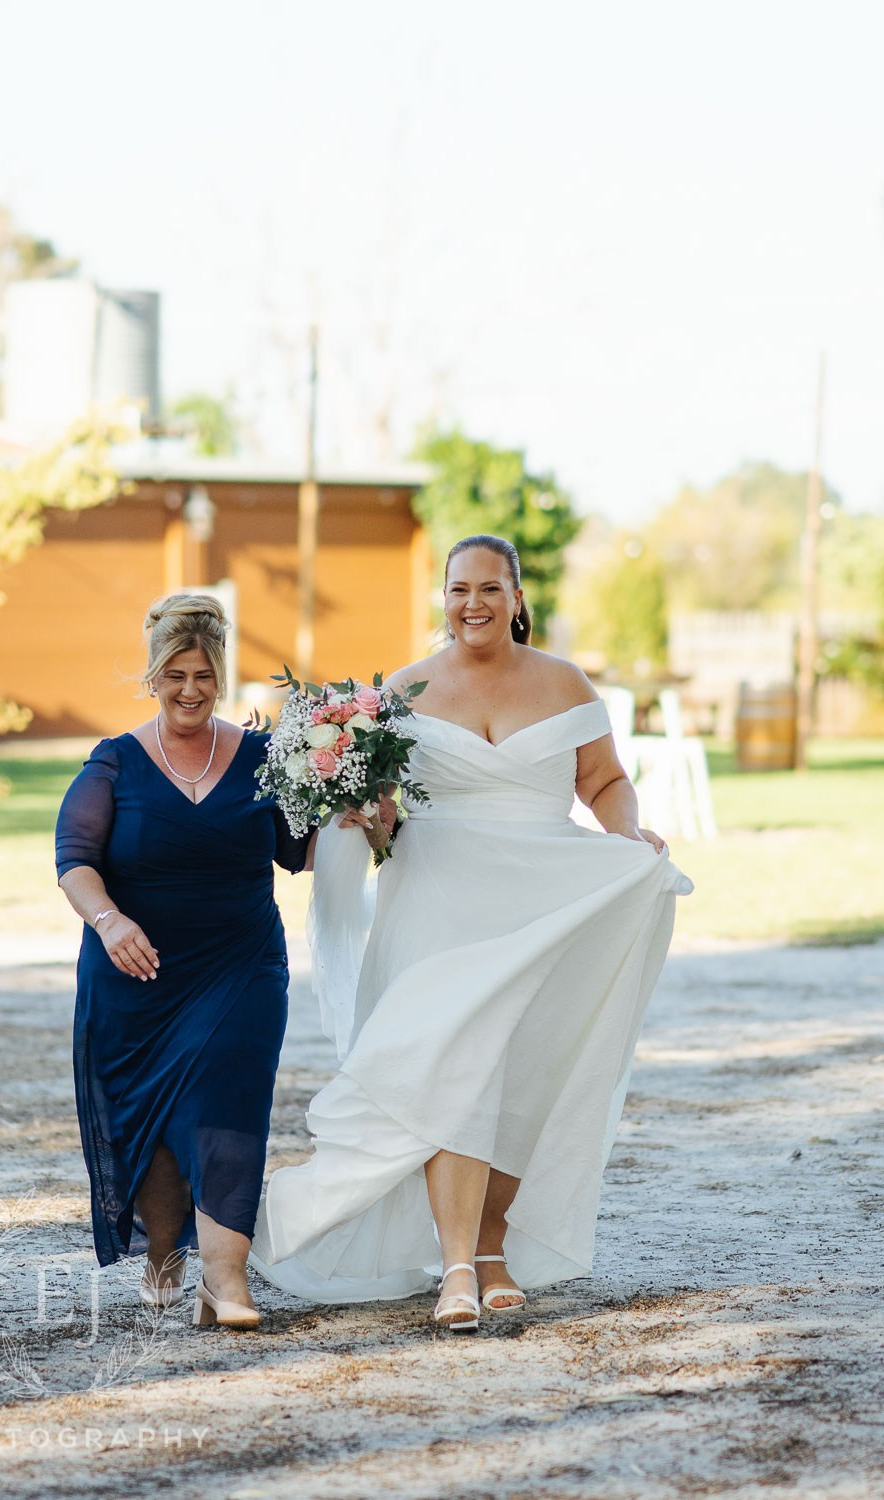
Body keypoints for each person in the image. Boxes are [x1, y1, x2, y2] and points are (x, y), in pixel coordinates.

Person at [251, 535, 692, 1330]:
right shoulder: (405, 688)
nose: (474, 604)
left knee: (528, 1069)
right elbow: (384, 817)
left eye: (491, 589)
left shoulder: (565, 683)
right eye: (459, 590)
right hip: (437, 900)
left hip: (540, 894)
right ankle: (455, 1264)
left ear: (517, 598)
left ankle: (492, 1247)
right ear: (443, 598)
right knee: (450, 1066)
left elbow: (604, 780)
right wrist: (365, 820)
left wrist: (629, 836)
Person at [55, 594, 312, 1330]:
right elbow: (74, 859)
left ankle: (226, 1281)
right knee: (158, 1128)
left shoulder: (264, 759)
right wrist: (108, 921)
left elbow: (299, 853)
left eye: (203, 673)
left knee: (231, 1109)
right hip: (138, 972)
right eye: (175, 675)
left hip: (242, 967)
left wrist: (366, 814)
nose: (191, 689)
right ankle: (164, 1250)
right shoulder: (115, 763)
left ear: (221, 673)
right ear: (153, 677)